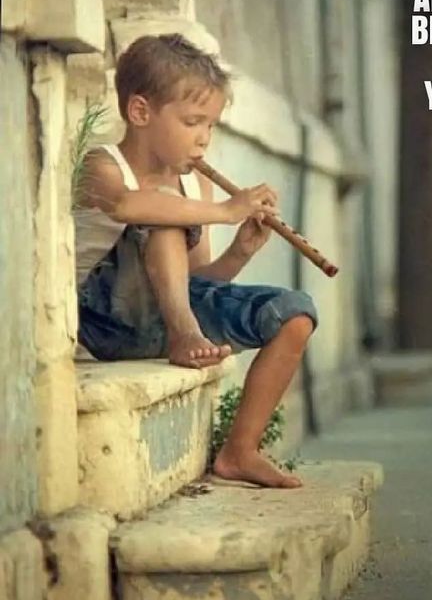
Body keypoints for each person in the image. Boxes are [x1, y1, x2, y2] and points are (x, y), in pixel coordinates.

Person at [75, 33, 317, 489]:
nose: (204, 139)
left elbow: (191, 282)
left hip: (164, 318)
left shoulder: (194, 188)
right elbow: (129, 207)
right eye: (193, 122)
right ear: (141, 112)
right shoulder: (100, 167)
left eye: (212, 126)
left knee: (294, 314)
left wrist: (239, 250)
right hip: (102, 324)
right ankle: (187, 337)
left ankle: (240, 451)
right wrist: (227, 211)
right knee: (161, 206)